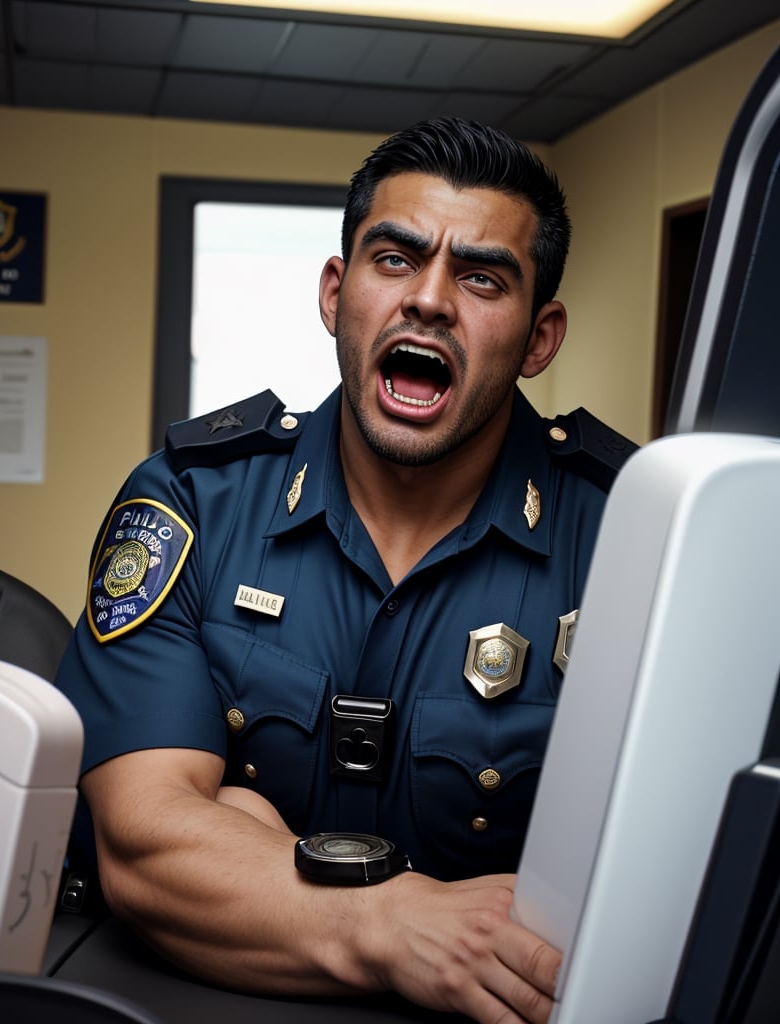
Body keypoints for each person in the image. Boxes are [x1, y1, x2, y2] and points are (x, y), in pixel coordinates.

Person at [54, 117, 635, 1024]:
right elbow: (146, 850)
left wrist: (250, 850)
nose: (430, 300)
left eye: (482, 276)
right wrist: (398, 922)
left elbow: (648, 894)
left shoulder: (627, 542)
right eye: (395, 259)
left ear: (538, 339)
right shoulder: (193, 504)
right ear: (337, 293)